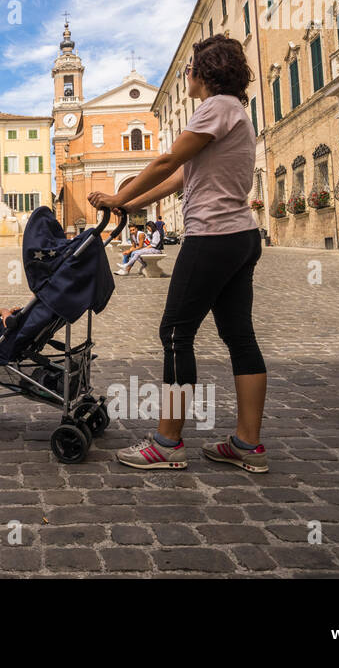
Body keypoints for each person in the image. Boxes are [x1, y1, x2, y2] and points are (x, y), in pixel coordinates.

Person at [88, 34, 267, 473]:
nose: (187, 76)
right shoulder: (235, 112)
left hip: (212, 237)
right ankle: (247, 444)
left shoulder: (216, 107)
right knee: (239, 338)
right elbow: (182, 176)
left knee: (174, 334)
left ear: (204, 73)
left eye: (190, 69)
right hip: (241, 237)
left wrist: (118, 195)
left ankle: (167, 443)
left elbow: (166, 162)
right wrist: (128, 204)